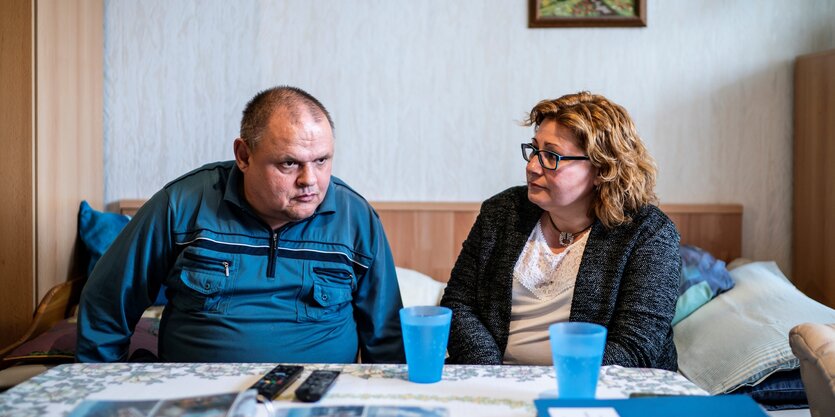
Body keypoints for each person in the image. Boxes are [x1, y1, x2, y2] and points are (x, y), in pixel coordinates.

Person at [77, 86, 405, 364]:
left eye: (321, 161)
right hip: (200, 405)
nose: (310, 181)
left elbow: (388, 341)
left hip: (317, 405)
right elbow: (107, 300)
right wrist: (109, 388)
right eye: (289, 163)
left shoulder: (357, 219)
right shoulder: (182, 205)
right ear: (244, 155)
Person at [440, 91, 680, 370]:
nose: (532, 166)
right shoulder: (502, 212)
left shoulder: (649, 233)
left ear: (602, 168)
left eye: (551, 156)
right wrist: (494, 374)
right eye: (533, 150)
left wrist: (559, 383)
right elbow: (458, 304)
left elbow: (635, 347)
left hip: (597, 391)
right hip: (493, 377)